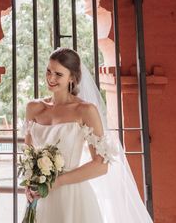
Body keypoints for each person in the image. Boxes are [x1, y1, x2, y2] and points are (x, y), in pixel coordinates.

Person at [24, 47, 153, 222]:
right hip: (40, 197)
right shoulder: (33, 108)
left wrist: (56, 182)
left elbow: (101, 164)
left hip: (72, 197)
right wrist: (30, 184)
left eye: (58, 74)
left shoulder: (85, 110)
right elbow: (28, 155)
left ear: (72, 78)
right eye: (49, 71)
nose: (51, 78)